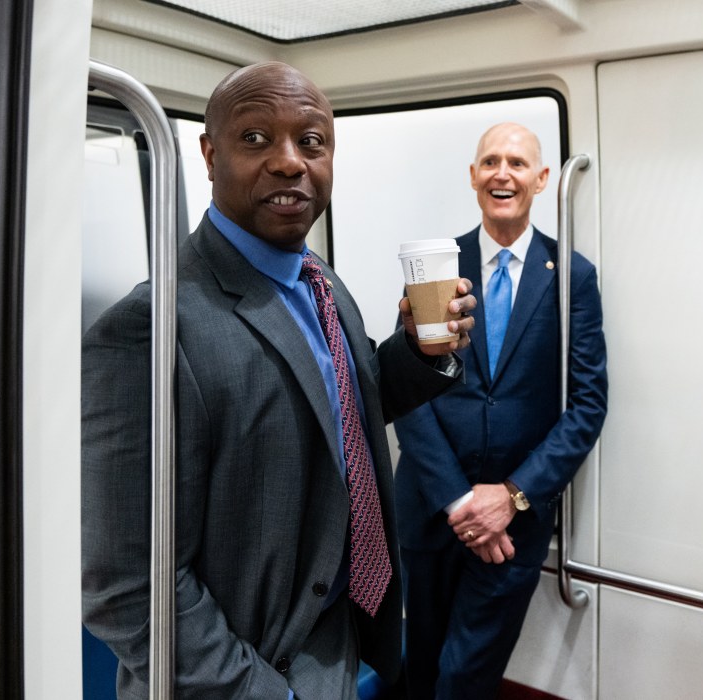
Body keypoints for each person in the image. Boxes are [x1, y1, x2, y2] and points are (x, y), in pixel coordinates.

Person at [81, 62, 477, 699]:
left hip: (334, 636)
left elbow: (345, 409)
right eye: (256, 139)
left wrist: (418, 352)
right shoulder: (148, 328)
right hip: (243, 674)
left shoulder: (316, 277)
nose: (291, 162)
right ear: (210, 156)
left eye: (311, 141)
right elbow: (125, 585)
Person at [393, 122, 609, 698]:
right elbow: (407, 391)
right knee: (421, 667)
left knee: (466, 677)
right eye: (490, 162)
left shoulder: (570, 276)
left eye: (517, 163)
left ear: (541, 180)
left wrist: (509, 496)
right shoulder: (436, 265)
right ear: (473, 176)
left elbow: (588, 403)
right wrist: (462, 501)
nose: (502, 173)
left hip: (515, 522)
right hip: (431, 508)